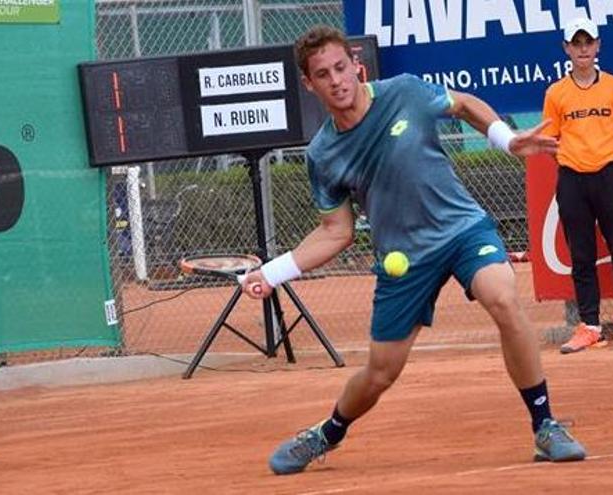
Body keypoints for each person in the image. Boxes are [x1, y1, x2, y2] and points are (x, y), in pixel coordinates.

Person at [241, 25, 586, 475]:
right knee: (381, 372)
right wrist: (273, 272)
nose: (337, 81)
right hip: (404, 260)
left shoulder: (404, 93)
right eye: (323, 75)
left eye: (341, 68)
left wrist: (504, 138)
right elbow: (335, 231)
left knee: (502, 296)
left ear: (356, 66)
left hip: (462, 229)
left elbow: (462, 104)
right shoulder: (323, 153)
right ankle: (328, 432)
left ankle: (545, 425)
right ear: (310, 84)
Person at [541, 18, 613, 354]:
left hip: (610, 177)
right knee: (582, 256)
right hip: (572, 180)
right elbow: (550, 141)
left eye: (589, 42)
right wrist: (576, 163)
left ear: (598, 45)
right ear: (566, 48)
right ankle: (590, 326)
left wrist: (605, 159)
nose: (583, 49)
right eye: (577, 43)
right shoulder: (555, 93)